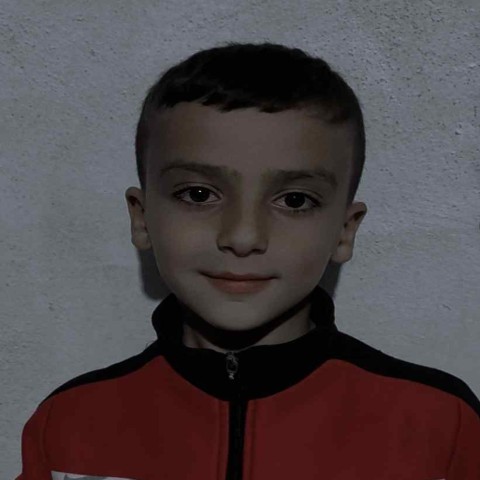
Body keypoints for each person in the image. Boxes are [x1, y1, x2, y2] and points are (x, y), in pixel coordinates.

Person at [16, 41, 479, 479]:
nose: (243, 237)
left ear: (345, 230)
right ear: (142, 219)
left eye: (294, 200)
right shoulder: (69, 423)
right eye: (199, 194)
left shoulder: (440, 423)